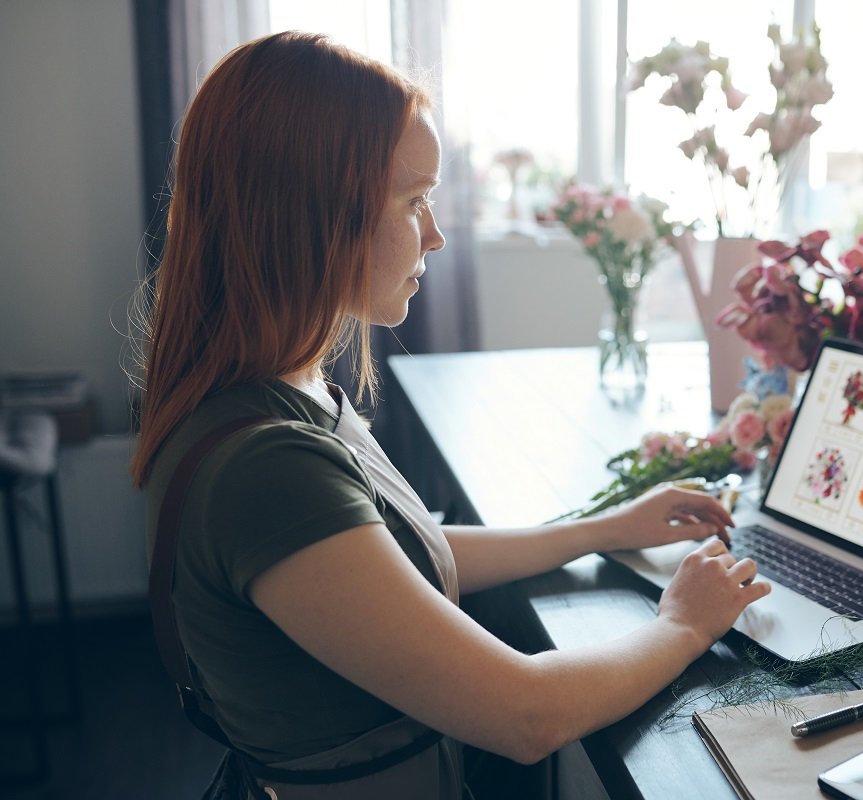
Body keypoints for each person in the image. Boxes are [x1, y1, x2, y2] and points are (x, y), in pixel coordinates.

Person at [132, 30, 769, 799]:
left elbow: (396, 559)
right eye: (414, 200)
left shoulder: (278, 392)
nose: (433, 233)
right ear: (314, 210)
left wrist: (600, 530)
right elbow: (524, 715)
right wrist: (683, 624)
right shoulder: (266, 468)